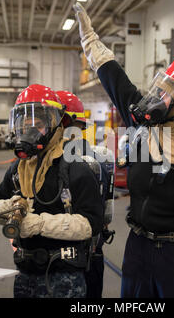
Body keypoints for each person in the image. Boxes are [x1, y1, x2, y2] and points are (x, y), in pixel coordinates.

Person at [74, 3, 174, 298]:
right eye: (162, 88)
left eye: (170, 92)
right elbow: (114, 79)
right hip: (137, 247)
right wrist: (90, 41)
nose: (160, 98)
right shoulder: (144, 124)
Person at [0, 84, 103, 298]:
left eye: (38, 124)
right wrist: (8, 207)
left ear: (55, 125)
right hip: (25, 273)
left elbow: (91, 224)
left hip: (64, 277)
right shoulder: (17, 169)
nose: (30, 130)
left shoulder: (75, 167)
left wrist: (40, 224)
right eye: (25, 124)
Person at [57, 90, 114, 298]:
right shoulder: (101, 158)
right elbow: (107, 215)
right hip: (93, 251)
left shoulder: (50, 162)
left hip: (57, 258)